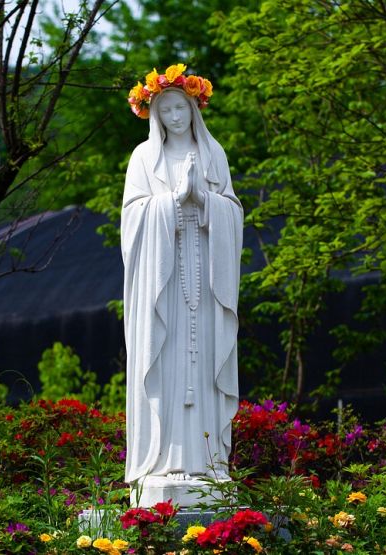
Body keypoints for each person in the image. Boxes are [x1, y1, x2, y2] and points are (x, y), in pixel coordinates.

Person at [121, 64, 242, 505]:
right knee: (168, 359)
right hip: (163, 281)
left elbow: (233, 211)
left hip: (206, 277)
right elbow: (132, 218)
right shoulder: (143, 158)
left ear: (194, 108)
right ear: (154, 114)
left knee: (203, 363)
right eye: (166, 109)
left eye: (180, 107)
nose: (174, 116)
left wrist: (204, 200)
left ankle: (209, 463)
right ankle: (163, 460)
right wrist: (172, 201)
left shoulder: (213, 154)